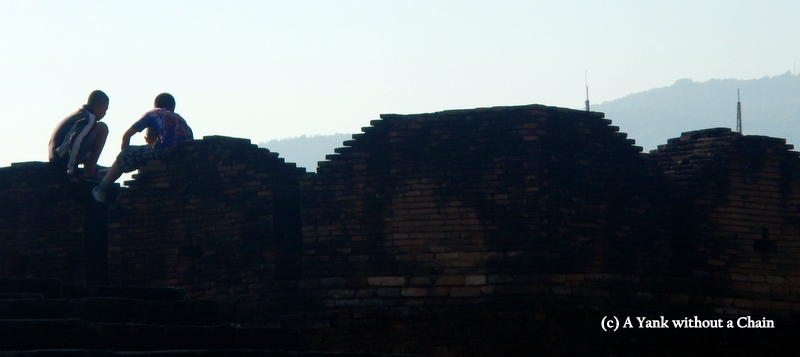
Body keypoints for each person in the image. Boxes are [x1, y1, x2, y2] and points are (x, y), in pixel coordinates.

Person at [91, 92, 193, 202]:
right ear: (173, 107)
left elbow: (127, 135)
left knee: (128, 153)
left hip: (165, 152)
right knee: (147, 150)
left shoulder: (153, 113)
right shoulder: (180, 118)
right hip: (184, 156)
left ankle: (101, 188)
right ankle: (113, 169)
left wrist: (123, 157)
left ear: (155, 105)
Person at [49, 90, 110, 181]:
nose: (105, 114)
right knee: (102, 128)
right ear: (99, 106)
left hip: (56, 156)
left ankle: (90, 164)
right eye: (105, 109)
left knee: (92, 131)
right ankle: (89, 170)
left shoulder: (80, 114)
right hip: (62, 159)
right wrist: (71, 170)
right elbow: (75, 141)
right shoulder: (89, 118)